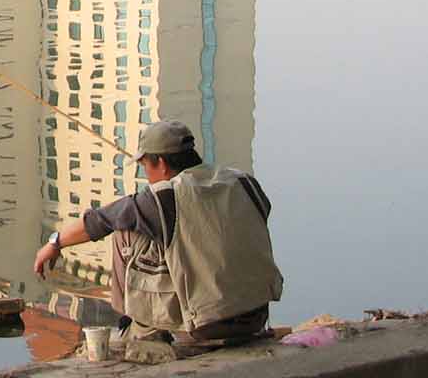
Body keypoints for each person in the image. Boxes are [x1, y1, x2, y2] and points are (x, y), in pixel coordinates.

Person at [32, 119, 282, 344]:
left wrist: (54, 243)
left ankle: (138, 328)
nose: (147, 176)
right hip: (256, 315)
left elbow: (99, 221)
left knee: (125, 233)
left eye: (145, 167)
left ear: (160, 163)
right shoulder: (243, 181)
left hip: (209, 325)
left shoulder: (164, 198)